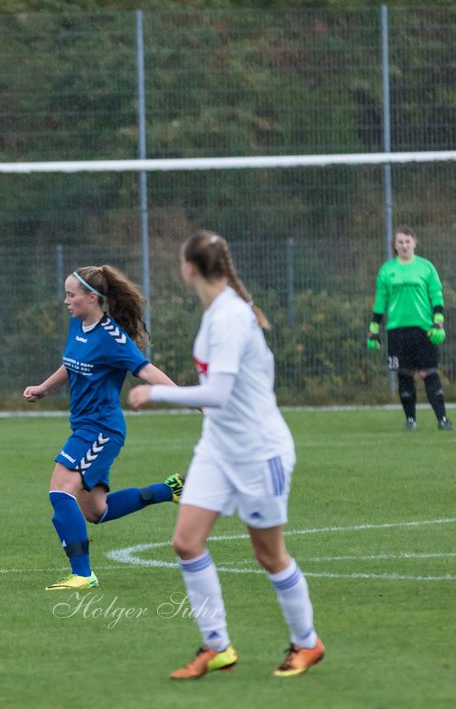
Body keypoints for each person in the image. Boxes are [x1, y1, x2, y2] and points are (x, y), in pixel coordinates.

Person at [129, 230, 324, 679]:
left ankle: (307, 643)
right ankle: (216, 646)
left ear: (189, 268)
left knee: (269, 555)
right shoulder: (215, 311)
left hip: (259, 452)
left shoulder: (231, 317)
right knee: (185, 542)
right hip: (218, 448)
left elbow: (218, 392)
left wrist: (155, 394)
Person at [23, 265, 182, 592]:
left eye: (71, 294)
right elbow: (72, 364)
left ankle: (82, 575)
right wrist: (44, 387)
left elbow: (147, 371)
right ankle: (171, 489)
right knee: (96, 511)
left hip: (102, 429)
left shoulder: (114, 338)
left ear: (92, 297)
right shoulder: (77, 325)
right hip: (84, 426)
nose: (66, 301)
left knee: (59, 490)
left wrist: (191, 398)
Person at [367, 227, 451, 431]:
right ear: (395, 246)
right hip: (397, 330)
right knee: (404, 375)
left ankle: (442, 419)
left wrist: (438, 321)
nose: (404, 245)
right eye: (400, 242)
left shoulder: (426, 267)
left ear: (415, 242)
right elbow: (381, 300)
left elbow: (437, 296)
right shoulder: (387, 270)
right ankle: (410, 420)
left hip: (423, 329)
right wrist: (373, 328)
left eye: (407, 241)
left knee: (429, 373)